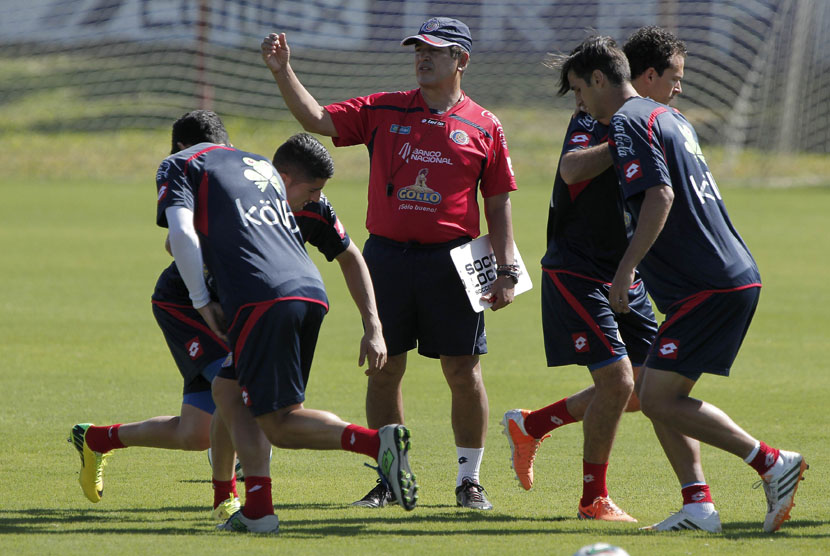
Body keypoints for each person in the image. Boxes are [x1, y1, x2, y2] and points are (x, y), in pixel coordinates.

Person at [71, 111, 415, 534]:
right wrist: (202, 295)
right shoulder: (237, 175)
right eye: (311, 189)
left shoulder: (264, 188)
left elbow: (347, 254)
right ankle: (246, 507)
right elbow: (177, 241)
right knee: (228, 402)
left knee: (270, 419)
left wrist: (373, 324)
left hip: (255, 302)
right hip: (213, 304)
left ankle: (364, 448)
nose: (314, 198)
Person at [261, 16, 519, 510]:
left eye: (435, 51)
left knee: (463, 371)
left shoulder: (486, 125)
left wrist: (505, 270)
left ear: (460, 60)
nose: (422, 57)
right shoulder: (384, 108)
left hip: (454, 261)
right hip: (388, 257)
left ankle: (469, 481)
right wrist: (282, 72)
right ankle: (388, 477)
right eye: (417, 50)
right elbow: (317, 120)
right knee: (383, 369)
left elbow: (499, 201)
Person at [560, 36, 806, 533]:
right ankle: (698, 508)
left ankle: (772, 463)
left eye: (579, 91)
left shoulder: (629, 120)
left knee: (656, 398)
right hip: (722, 278)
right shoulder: (669, 117)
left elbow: (660, 195)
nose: (579, 104)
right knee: (655, 389)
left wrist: (627, 268)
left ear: (600, 79)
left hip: (707, 284)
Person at [501, 26, 686, 522]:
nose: (678, 87)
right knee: (618, 383)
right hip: (577, 268)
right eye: (674, 77)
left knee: (652, 388)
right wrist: (623, 144)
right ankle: (592, 501)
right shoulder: (595, 119)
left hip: (626, 270)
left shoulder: (655, 121)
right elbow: (571, 170)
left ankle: (532, 425)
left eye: (580, 88)